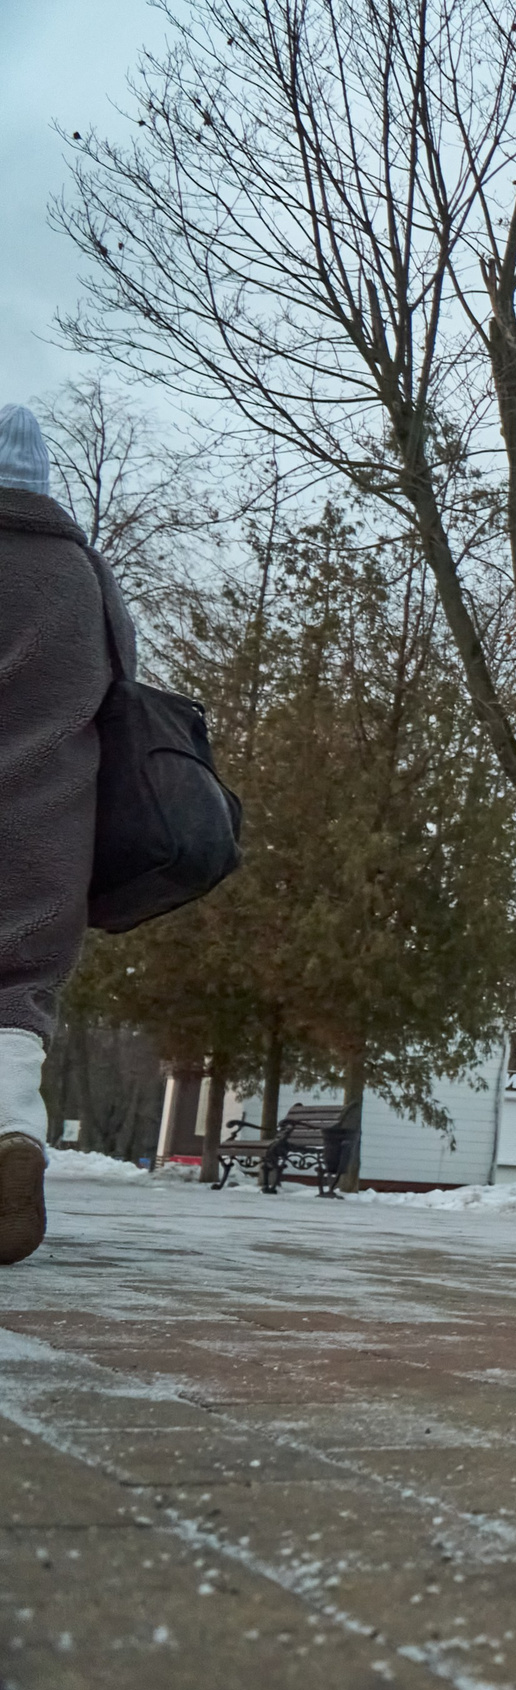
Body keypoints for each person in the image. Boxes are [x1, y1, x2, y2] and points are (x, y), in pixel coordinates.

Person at [0, 402, 135, 1265]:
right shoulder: (82, 576)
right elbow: (126, 691)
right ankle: (11, 1135)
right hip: (43, 833)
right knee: (13, 998)